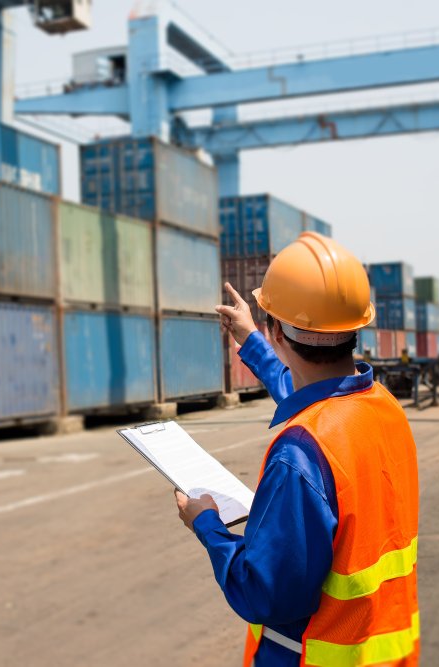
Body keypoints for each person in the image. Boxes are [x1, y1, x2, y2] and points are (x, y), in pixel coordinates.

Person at [174, 232, 420, 666]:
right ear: (356, 330)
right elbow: (308, 392)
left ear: (279, 333)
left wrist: (207, 525)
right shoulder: (384, 409)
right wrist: (251, 339)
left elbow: (263, 594)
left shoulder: (300, 455)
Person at [217, 282, 294, 404]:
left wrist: (250, 336)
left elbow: (285, 384)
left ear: (276, 330)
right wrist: (248, 336)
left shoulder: (303, 413)